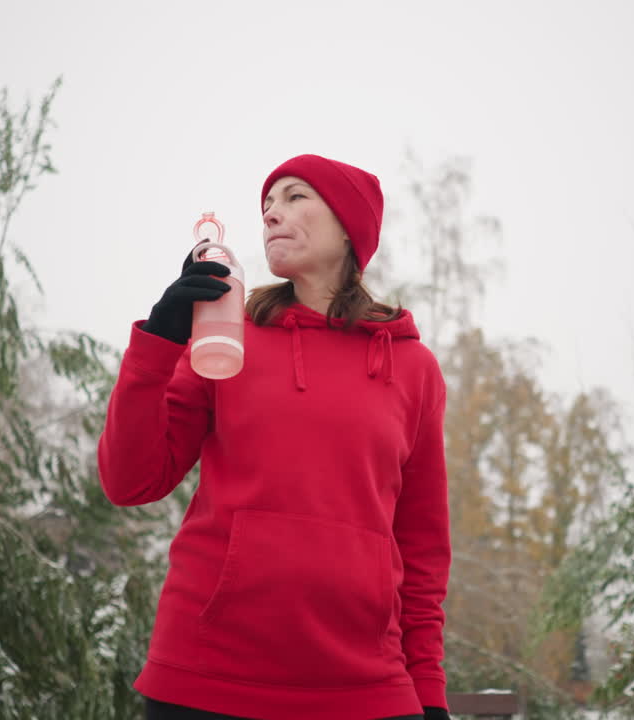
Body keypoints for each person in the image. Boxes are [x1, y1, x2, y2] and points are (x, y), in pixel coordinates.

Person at [98, 154, 451, 720]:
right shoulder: (225, 340)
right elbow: (130, 481)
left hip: (365, 685)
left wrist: (428, 685)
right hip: (207, 676)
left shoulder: (412, 368)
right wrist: (159, 343)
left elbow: (423, 545)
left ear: (348, 226)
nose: (271, 215)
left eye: (294, 197)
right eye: (266, 205)